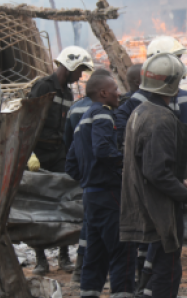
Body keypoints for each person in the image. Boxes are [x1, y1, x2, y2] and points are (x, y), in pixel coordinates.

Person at [120, 53, 187, 298]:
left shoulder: (140, 112)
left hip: (144, 203)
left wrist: (182, 144)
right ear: (173, 83)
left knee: (158, 267)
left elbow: (150, 155)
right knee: (167, 273)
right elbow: (158, 171)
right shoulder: (162, 118)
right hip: (159, 208)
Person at [65, 74, 136, 297]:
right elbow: (103, 150)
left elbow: (71, 165)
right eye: (115, 88)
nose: (119, 93)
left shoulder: (81, 122)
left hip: (91, 197)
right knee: (122, 251)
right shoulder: (103, 115)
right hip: (109, 194)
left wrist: (90, 176)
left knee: (94, 254)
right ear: (103, 93)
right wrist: (128, 165)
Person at [27, 45, 94, 276]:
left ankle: (64, 255)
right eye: (80, 70)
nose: (81, 76)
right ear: (70, 66)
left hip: (59, 153)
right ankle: (40, 258)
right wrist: (29, 153)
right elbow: (29, 120)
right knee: (37, 206)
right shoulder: (43, 87)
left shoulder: (67, 94)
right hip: (39, 153)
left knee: (64, 201)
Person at [62, 67, 112, 283]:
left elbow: (68, 142)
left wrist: (79, 172)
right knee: (108, 227)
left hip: (86, 176)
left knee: (90, 222)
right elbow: (107, 147)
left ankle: (79, 269)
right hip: (105, 179)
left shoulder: (75, 109)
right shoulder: (104, 110)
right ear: (103, 89)